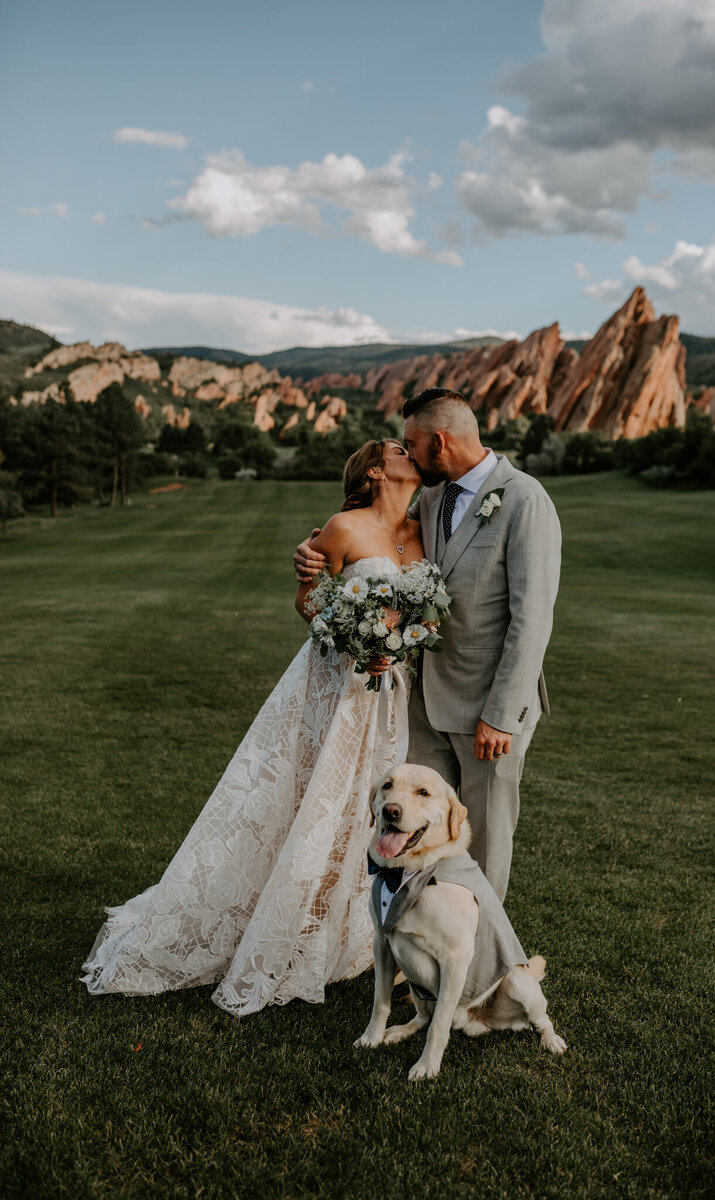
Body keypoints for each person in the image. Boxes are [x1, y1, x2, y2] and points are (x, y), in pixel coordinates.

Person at [82, 439, 423, 1013]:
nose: (409, 450)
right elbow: (308, 602)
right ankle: (279, 922)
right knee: (311, 798)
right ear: (374, 470)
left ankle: (344, 926)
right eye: (397, 447)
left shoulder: (421, 531)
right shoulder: (342, 528)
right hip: (336, 682)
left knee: (361, 805)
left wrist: (397, 642)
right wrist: (358, 638)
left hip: (389, 691)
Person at [295, 389, 561, 902]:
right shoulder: (433, 498)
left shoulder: (525, 500)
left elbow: (532, 619)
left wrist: (502, 714)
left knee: (480, 838)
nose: (409, 454)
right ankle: (415, 940)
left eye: (412, 445)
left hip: (488, 712)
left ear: (439, 441)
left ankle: (477, 952)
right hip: (420, 703)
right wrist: (310, 557)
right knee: (417, 833)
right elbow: (378, 537)